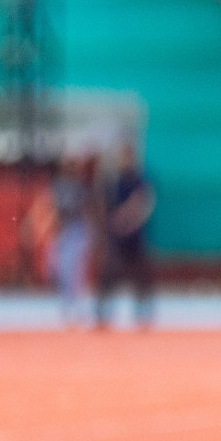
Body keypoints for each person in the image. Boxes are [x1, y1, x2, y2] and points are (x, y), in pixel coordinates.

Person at [96, 141, 156, 329]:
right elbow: (103, 207)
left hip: (135, 237)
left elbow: (143, 204)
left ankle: (143, 314)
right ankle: (103, 315)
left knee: (141, 276)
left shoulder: (140, 181)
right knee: (108, 275)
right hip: (116, 237)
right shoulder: (113, 182)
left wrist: (126, 220)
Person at [42, 155, 95, 326]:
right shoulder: (58, 186)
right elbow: (53, 209)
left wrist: (91, 234)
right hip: (63, 232)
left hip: (77, 230)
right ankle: (67, 305)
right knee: (56, 267)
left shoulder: (80, 187)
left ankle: (77, 307)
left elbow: (85, 211)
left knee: (74, 271)